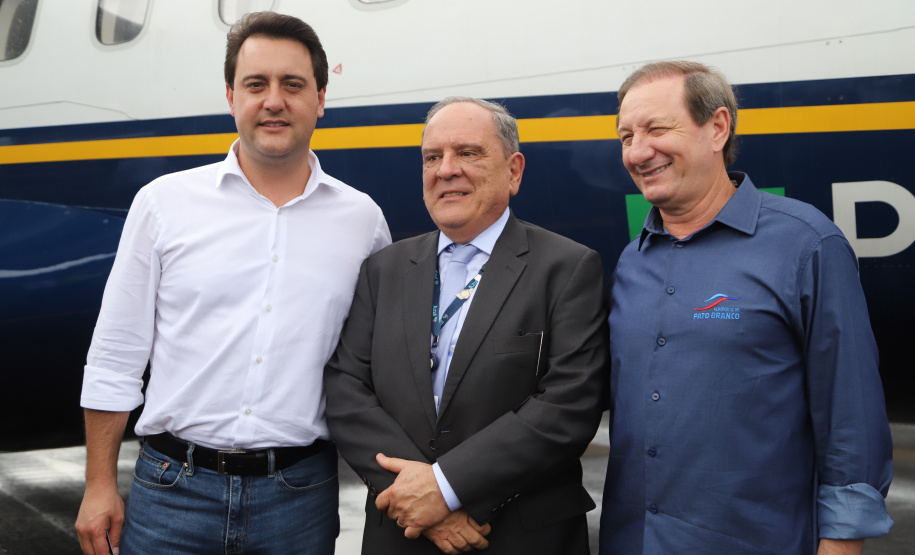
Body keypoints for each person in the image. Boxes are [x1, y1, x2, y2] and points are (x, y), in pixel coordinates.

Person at [74, 11, 390, 555]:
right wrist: (99, 484)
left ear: (320, 98)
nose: (274, 101)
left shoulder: (362, 223)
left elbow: (384, 364)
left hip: (299, 495)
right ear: (230, 96)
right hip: (172, 489)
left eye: (293, 85)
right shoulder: (162, 204)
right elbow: (115, 355)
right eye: (256, 84)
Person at [600, 60, 894, 555]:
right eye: (626, 136)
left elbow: (851, 413)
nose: (638, 151)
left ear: (717, 128)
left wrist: (842, 542)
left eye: (656, 129)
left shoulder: (806, 244)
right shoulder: (633, 260)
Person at [324, 96, 610, 554]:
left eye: (468, 153)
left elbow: (569, 405)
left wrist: (445, 488)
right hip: (403, 533)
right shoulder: (383, 270)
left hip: (519, 536)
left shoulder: (567, 267)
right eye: (432, 157)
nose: (445, 169)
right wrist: (412, 497)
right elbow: (346, 389)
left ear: (514, 171)